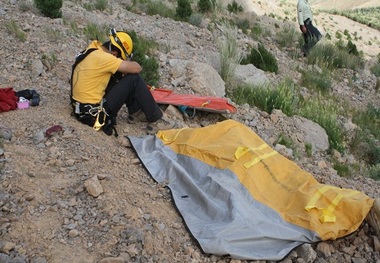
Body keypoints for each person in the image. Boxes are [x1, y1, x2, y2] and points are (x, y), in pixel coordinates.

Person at [70, 28, 177, 136]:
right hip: (94, 116)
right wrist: (127, 61)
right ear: (115, 53)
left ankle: (136, 113)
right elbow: (137, 68)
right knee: (133, 79)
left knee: (120, 74)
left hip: (81, 110)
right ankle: (156, 120)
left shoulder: (94, 49)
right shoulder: (105, 58)